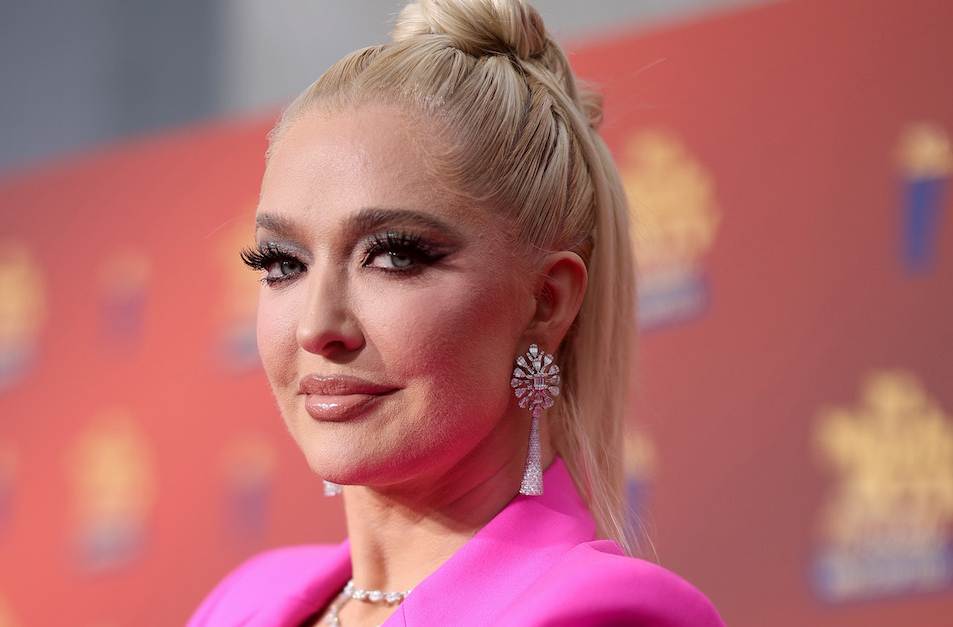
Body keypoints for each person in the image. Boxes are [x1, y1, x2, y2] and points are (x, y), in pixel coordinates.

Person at [190, 0, 724, 624]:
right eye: (283, 263)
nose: (316, 328)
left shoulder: (603, 614)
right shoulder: (242, 603)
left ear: (547, 302)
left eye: (393, 256)